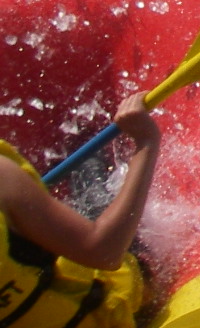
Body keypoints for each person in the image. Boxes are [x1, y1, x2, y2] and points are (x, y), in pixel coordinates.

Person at [0, 93, 158, 328]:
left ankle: (82, 157)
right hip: (105, 310)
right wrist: (146, 142)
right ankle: (85, 154)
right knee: (136, 261)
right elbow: (104, 251)